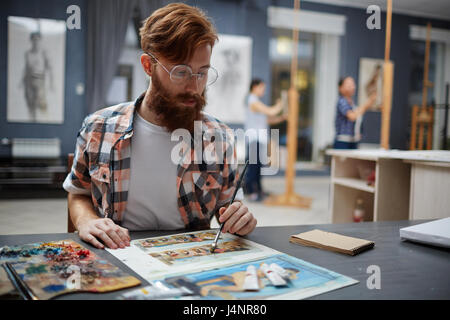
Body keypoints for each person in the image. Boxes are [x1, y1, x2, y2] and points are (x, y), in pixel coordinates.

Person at [63, 3, 257, 250]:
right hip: (118, 253)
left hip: (188, 259)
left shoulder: (219, 138)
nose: (193, 86)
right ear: (148, 65)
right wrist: (87, 220)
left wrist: (239, 219)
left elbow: (227, 210)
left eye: (202, 73)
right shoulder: (99, 128)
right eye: (180, 72)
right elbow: (78, 193)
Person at [244, 79, 287, 201]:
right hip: (253, 139)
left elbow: (267, 120)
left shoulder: (257, 102)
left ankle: (259, 190)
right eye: (262, 88)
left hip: (259, 139)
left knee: (258, 166)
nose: (264, 90)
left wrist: (282, 117)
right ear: (254, 87)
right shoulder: (252, 101)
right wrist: (282, 102)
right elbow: (271, 111)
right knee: (253, 167)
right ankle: (251, 192)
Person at [334, 76, 376, 149]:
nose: (352, 87)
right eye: (349, 85)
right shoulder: (342, 101)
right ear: (340, 88)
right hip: (343, 141)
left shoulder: (352, 103)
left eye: (353, 84)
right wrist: (367, 104)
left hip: (354, 140)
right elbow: (352, 116)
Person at [22, 31, 53, 121]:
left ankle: (45, 122)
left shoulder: (43, 53)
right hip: (29, 80)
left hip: (40, 79)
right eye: (34, 39)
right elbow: (26, 68)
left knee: (41, 104)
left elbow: (49, 68)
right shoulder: (28, 54)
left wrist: (51, 83)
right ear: (31, 40)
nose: (35, 42)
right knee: (30, 103)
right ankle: (32, 120)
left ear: (40, 41)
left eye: (37, 40)